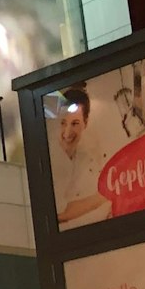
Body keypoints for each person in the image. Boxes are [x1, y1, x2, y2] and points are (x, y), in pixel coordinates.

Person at [53, 87, 110, 228]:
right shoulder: (50, 160)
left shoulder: (85, 154)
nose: (67, 133)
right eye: (63, 123)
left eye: (75, 123)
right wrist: (104, 196)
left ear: (86, 122)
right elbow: (61, 213)